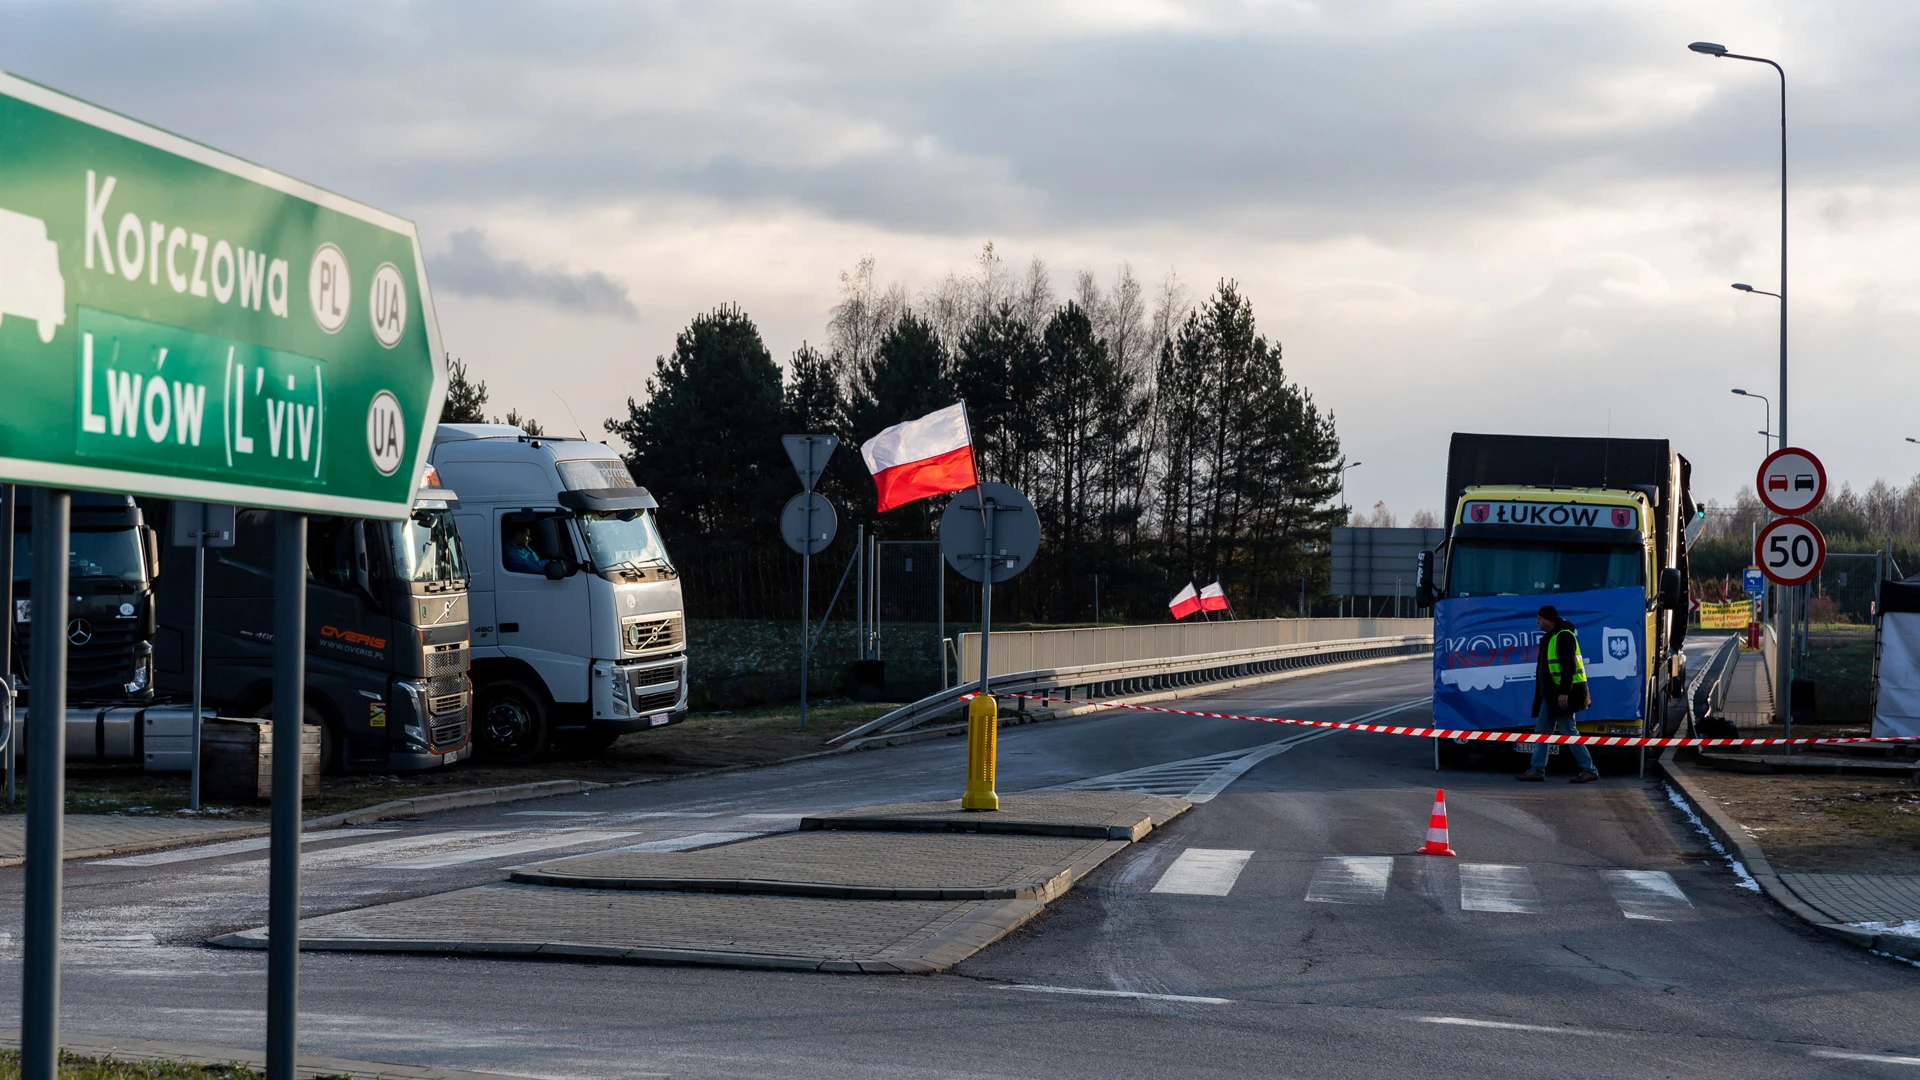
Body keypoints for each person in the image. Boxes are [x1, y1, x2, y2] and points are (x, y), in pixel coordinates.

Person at [1519, 604, 1599, 783]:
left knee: (1569, 732)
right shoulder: (1554, 636)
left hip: (1561, 696)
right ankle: (1537, 769)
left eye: (1539, 618)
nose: (1537, 621)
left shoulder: (1563, 636)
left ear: (1548, 620)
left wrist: (1563, 693)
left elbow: (1568, 667)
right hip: (1552, 695)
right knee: (1543, 732)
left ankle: (1589, 769)